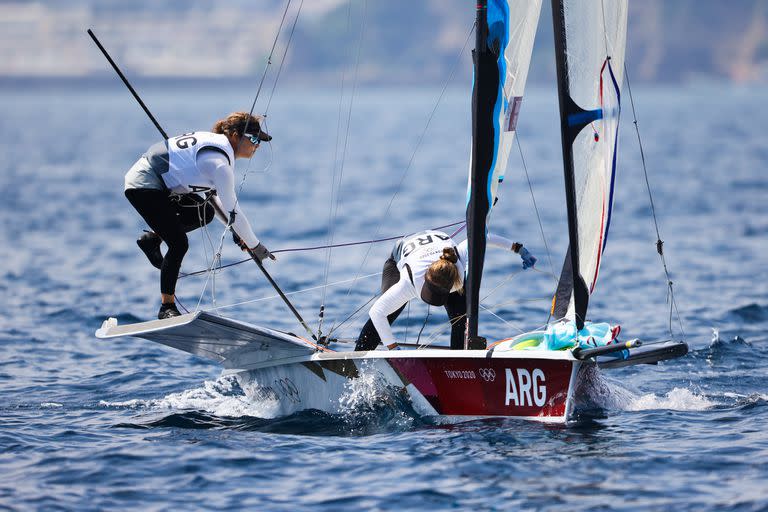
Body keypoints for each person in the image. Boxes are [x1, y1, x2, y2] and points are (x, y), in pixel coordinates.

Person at [124, 111, 275, 320]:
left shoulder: (217, 150)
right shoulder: (219, 164)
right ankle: (166, 308)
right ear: (234, 135)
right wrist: (255, 246)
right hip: (143, 184)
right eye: (253, 139)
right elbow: (233, 209)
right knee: (178, 243)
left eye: (260, 141)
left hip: (162, 185)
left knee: (205, 212)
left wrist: (236, 231)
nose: (257, 145)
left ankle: (152, 238)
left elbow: (216, 201)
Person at [354, 229, 537, 351]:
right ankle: (357, 357)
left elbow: (482, 236)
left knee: (460, 318)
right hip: (400, 259)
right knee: (387, 314)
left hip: (441, 257)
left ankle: (457, 363)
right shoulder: (410, 282)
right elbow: (376, 312)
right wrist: (393, 348)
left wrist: (519, 249)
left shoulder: (459, 260)